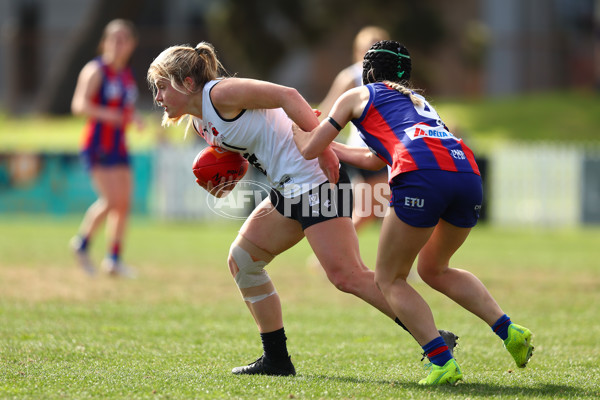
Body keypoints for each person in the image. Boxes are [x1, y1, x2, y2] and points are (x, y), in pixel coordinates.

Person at [147, 41, 458, 376]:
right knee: (244, 261)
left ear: (188, 83)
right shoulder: (199, 123)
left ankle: (432, 338)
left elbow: (289, 95)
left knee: (347, 276)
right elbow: (252, 142)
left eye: (162, 86)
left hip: (316, 181)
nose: (158, 97)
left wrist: (321, 147)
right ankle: (276, 359)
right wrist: (228, 175)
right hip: (289, 188)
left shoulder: (220, 94)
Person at [292, 40, 534, 385]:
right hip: (467, 175)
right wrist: (333, 146)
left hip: (422, 176)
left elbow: (310, 148)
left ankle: (441, 361)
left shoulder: (358, 95)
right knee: (435, 269)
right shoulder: (419, 102)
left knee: (389, 279)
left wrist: (298, 134)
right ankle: (510, 331)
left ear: (367, 71)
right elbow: (373, 159)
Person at [70, 19, 143, 277]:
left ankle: (113, 259)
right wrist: (108, 115)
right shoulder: (96, 70)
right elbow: (79, 105)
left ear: (132, 44)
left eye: (123, 39)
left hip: (119, 145)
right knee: (111, 201)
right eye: (113, 38)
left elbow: (125, 108)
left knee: (124, 203)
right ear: (105, 42)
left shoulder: (126, 74)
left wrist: (133, 118)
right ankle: (82, 243)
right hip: (97, 144)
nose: (118, 44)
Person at [318, 26, 391, 231]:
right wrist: (310, 131)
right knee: (379, 207)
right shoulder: (351, 76)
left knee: (378, 208)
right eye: (367, 48)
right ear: (359, 51)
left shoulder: (390, 77)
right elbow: (328, 110)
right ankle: (335, 253)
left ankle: (338, 254)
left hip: (387, 149)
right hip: (365, 150)